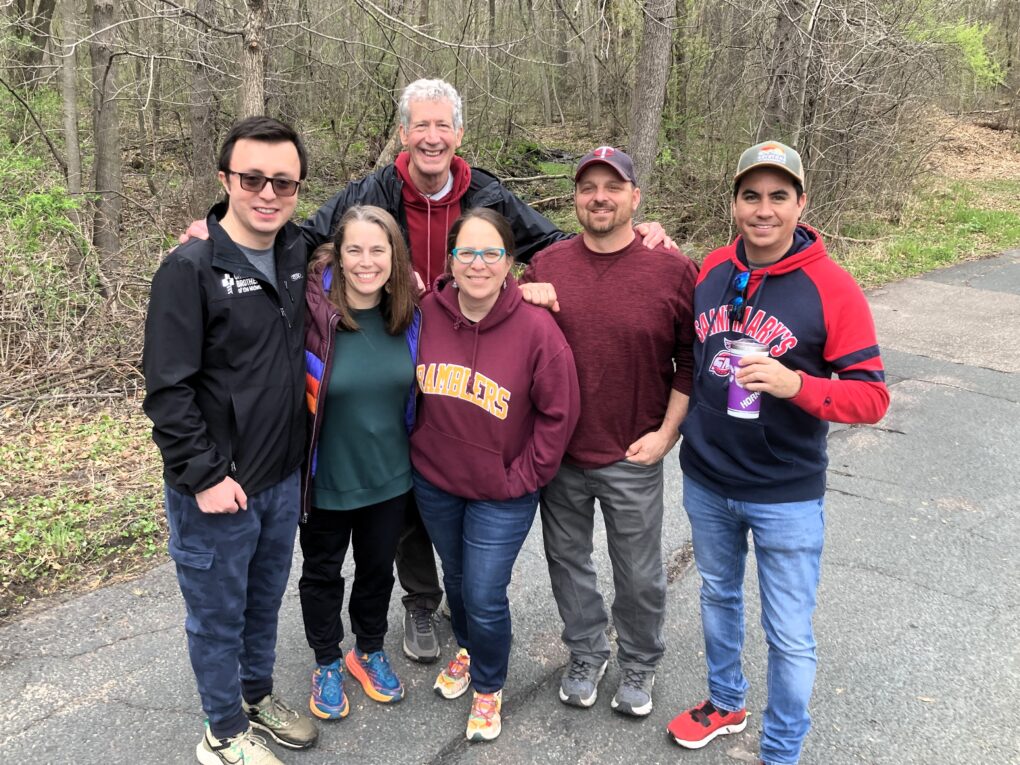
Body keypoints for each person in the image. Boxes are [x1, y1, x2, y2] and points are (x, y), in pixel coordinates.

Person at [181, 79, 675, 663]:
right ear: (404, 133)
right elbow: (302, 238)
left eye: (444, 126)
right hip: (398, 343)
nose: (433, 137)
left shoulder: (486, 192)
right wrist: (220, 237)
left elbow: (555, 241)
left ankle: (472, 609)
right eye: (422, 125)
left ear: (460, 135)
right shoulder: (371, 190)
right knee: (410, 493)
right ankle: (421, 600)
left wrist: (638, 236)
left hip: (464, 349)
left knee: (442, 484)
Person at [665, 141, 890, 765]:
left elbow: (871, 400)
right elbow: (691, 354)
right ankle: (725, 701)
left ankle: (782, 749)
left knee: (788, 634)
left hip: (785, 492)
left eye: (778, 197)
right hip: (707, 480)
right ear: (735, 203)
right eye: (751, 196)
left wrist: (796, 385)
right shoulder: (713, 269)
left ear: (801, 204)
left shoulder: (832, 288)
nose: (763, 211)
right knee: (716, 596)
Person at [143, 116, 318, 765]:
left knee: (264, 601)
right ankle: (221, 730)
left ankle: (255, 695)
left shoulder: (300, 252)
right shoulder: (188, 268)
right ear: (225, 180)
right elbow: (167, 389)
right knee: (217, 616)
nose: (267, 192)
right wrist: (205, 476)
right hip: (215, 489)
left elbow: (373, 220)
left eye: (283, 181)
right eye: (252, 178)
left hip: (279, 478)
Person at [520, 147, 699, 719]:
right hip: (561, 452)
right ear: (575, 198)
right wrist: (518, 293)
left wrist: (668, 434)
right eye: (588, 187)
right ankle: (586, 652)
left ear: (634, 198)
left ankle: (641, 661)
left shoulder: (672, 269)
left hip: (634, 451)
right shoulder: (546, 266)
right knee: (567, 562)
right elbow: (496, 320)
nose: (599, 196)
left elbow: (690, 361)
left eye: (612, 186)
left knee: (639, 572)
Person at [410, 208, 580, 741]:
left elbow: (560, 415)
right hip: (436, 482)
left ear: (510, 262)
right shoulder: (425, 314)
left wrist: (521, 477)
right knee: (456, 580)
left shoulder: (537, 329)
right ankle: (466, 646)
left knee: (484, 591)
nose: (477, 264)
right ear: (450, 259)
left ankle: (489, 684)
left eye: (491, 253)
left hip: (502, 493)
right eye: (467, 252)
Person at [299, 206, 420, 720]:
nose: (366, 261)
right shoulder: (314, 317)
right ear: (337, 256)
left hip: (390, 479)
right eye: (355, 249)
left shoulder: (411, 316)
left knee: (377, 571)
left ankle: (367, 650)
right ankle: (326, 660)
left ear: (394, 257)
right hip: (327, 476)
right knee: (323, 573)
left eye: (378, 249)